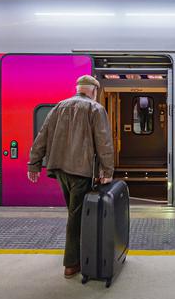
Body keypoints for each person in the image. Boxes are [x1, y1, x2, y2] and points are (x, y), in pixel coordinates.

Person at [27, 75, 115, 278]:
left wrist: (34, 164)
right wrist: (107, 171)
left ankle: (80, 254)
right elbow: (104, 143)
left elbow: (42, 135)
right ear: (93, 91)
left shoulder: (59, 106)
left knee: (74, 212)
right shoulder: (95, 109)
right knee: (76, 216)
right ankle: (72, 264)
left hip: (59, 169)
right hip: (80, 171)